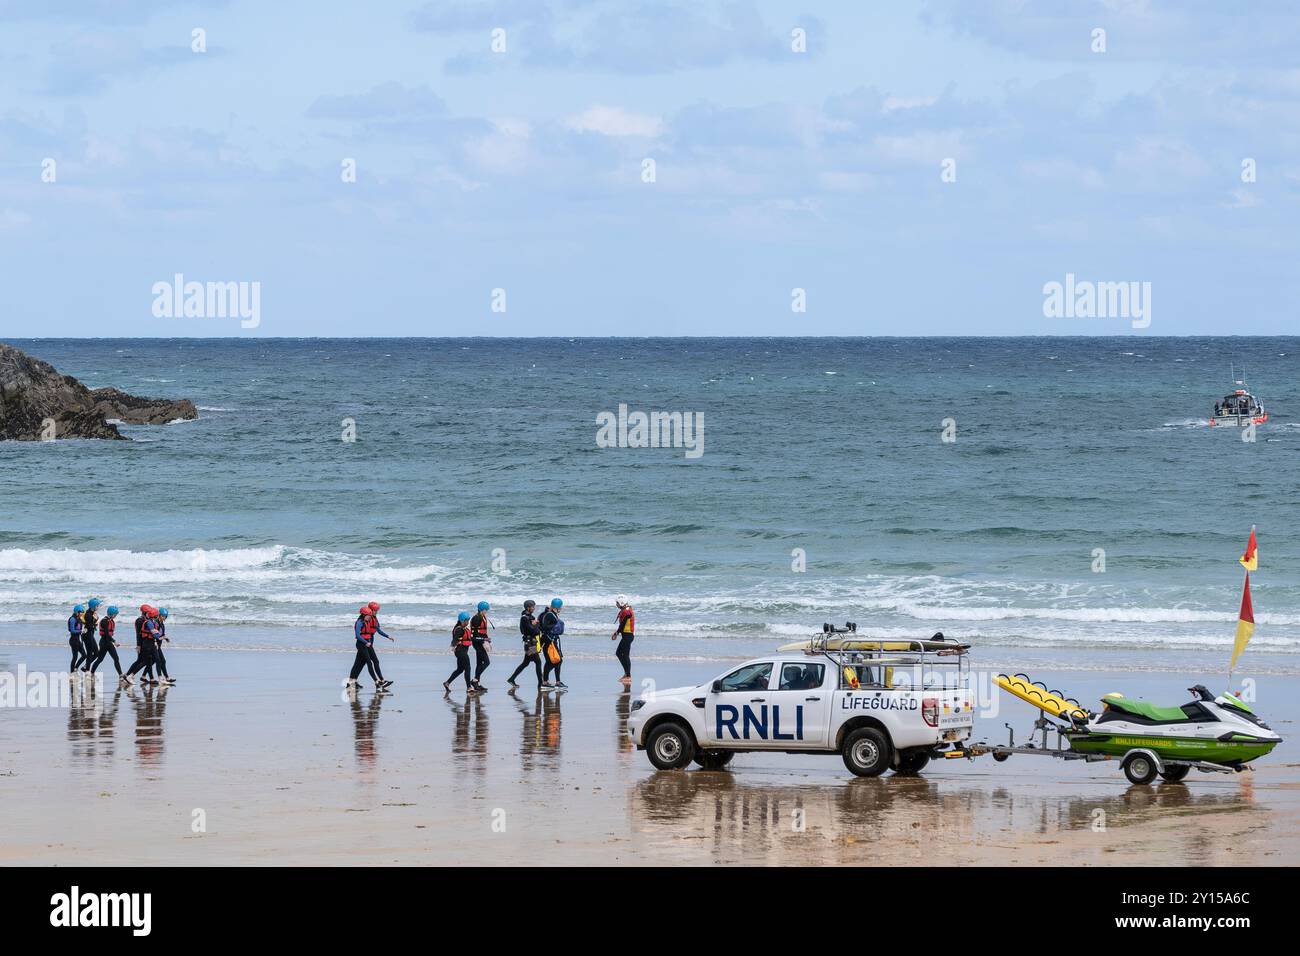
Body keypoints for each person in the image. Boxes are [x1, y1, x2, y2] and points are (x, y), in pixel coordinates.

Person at [347, 605, 392, 689]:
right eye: (375, 610)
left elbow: (377, 630)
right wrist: (365, 642)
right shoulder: (360, 622)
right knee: (365, 662)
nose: (376, 612)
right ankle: (377, 681)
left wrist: (387, 636)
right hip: (362, 644)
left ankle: (352, 682)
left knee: (360, 663)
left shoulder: (369, 620)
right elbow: (357, 635)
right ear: (365, 614)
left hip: (368, 643)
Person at [508, 600, 543, 687]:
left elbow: (534, 629)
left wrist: (535, 625)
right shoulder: (524, 618)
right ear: (528, 608)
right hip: (530, 644)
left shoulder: (530, 617)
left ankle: (511, 679)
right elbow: (532, 631)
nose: (534, 608)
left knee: (525, 663)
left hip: (532, 643)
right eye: (533, 607)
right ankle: (540, 684)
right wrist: (535, 625)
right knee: (538, 662)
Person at [124, 605, 160, 685]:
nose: (149, 613)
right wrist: (138, 645)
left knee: (148, 660)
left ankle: (150, 678)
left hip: (148, 643)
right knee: (141, 661)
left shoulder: (148, 620)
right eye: (148, 612)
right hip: (143, 644)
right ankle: (128, 675)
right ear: (144, 613)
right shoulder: (140, 621)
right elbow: (138, 634)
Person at [444, 612, 475, 692]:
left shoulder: (465, 629)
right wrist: (452, 645)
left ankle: (447, 683)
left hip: (462, 651)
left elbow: (469, 639)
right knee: (468, 667)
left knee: (460, 669)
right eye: (467, 620)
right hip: (460, 651)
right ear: (462, 620)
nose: (468, 622)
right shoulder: (459, 630)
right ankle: (469, 687)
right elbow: (455, 639)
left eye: (468, 620)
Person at [90, 606, 123, 679]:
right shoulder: (104, 621)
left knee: (116, 658)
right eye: (115, 614)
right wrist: (114, 642)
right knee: (100, 659)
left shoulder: (111, 621)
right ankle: (91, 673)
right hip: (104, 642)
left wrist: (112, 641)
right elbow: (107, 634)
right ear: (112, 614)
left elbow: (109, 634)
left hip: (108, 642)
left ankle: (120, 675)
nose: (116, 616)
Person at [539, 598, 566, 688]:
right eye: (560, 608)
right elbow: (546, 627)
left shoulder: (550, 614)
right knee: (556, 661)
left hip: (550, 641)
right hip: (549, 642)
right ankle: (547, 682)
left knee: (552, 661)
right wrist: (556, 626)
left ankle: (551, 681)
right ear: (556, 607)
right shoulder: (550, 615)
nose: (561, 609)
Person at [611, 594, 635, 686]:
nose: (616, 604)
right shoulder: (626, 610)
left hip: (628, 636)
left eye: (617, 603)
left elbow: (622, 625)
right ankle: (627, 674)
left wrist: (616, 633)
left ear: (621, 603)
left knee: (625, 655)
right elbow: (622, 625)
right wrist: (617, 633)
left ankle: (628, 676)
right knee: (619, 653)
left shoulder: (627, 612)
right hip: (626, 636)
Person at [469, 600, 492, 690]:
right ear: (482, 609)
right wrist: (483, 640)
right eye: (486, 610)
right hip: (477, 643)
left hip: (481, 642)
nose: (487, 611)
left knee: (479, 663)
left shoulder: (482, 617)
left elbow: (483, 632)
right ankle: (475, 680)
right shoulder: (477, 618)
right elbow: (473, 635)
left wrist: (487, 640)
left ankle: (477, 683)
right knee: (487, 662)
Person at [154, 607, 175, 685]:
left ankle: (166, 678)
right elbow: (154, 635)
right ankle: (162, 678)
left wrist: (166, 638)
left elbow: (162, 634)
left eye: (165, 616)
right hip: (155, 645)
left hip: (158, 646)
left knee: (156, 661)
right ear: (159, 615)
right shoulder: (156, 623)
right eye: (163, 616)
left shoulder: (162, 624)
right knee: (159, 661)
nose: (164, 618)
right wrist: (157, 641)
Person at [80, 599, 102, 672]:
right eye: (97, 606)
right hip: (87, 635)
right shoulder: (88, 614)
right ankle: (87, 671)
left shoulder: (92, 613)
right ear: (93, 606)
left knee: (96, 653)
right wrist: (95, 620)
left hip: (90, 635)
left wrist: (95, 619)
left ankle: (86, 667)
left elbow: (92, 625)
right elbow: (89, 626)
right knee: (89, 653)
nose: (98, 607)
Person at [67, 604, 87, 673]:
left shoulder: (79, 618)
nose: (82, 614)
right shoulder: (72, 619)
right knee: (75, 657)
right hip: (73, 640)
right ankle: (72, 672)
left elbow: (85, 622)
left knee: (84, 655)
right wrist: (81, 631)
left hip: (78, 640)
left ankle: (76, 668)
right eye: (81, 612)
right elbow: (72, 630)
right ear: (77, 612)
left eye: (82, 612)